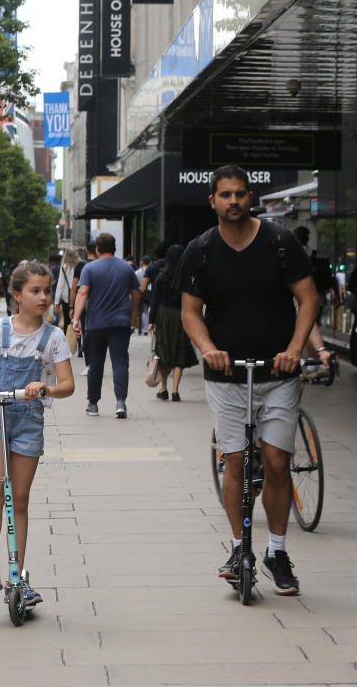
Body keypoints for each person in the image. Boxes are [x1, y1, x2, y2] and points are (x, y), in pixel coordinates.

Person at [178, 164, 317, 596]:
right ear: (213, 201)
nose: (233, 201)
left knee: (276, 462)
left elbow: (308, 298)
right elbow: (189, 312)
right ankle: (240, 549)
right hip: (226, 377)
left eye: (240, 194)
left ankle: (276, 551)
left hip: (277, 374)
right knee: (235, 462)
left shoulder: (279, 242)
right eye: (225, 195)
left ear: (249, 198)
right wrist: (208, 349)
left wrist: (295, 349)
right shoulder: (200, 250)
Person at [0, 261, 74, 605]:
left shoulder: (53, 337)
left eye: (46, 291)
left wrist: (46, 389)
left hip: (28, 420)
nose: (43, 297)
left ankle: (17, 577)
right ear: (17, 295)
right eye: (34, 291)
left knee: (19, 499)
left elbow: (68, 384)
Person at [71, 233, 139, 418]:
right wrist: (131, 314)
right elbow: (137, 294)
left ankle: (93, 404)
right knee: (120, 362)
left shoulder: (90, 268)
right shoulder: (127, 268)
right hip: (120, 323)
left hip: (96, 324)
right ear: (114, 248)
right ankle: (120, 403)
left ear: (97, 249)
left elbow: (83, 292)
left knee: (95, 364)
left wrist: (76, 318)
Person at [147, 244, 198, 401]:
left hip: (163, 315)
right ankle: (175, 390)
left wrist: (151, 321)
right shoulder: (187, 277)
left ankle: (164, 388)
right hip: (181, 314)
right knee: (179, 351)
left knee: (163, 351)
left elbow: (154, 300)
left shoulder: (162, 276)